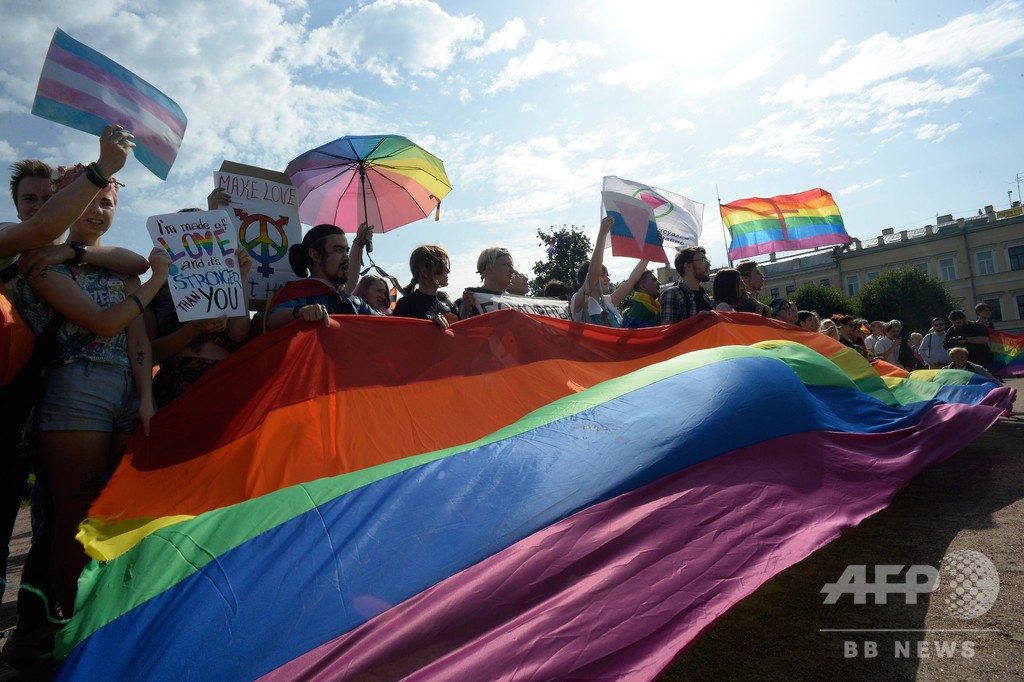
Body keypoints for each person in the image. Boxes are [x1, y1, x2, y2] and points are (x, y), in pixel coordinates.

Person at [17, 164, 171, 619]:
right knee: (75, 520)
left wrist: (145, 397)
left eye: (107, 203)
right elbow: (105, 322)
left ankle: (111, 616)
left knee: (122, 515)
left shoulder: (108, 263)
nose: (98, 210)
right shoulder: (41, 260)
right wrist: (156, 284)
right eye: (89, 201)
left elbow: (138, 334)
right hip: (74, 388)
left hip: (126, 392)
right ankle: (69, 626)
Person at [145, 194, 252, 408]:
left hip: (222, 381)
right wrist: (193, 329)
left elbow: (239, 332)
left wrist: (242, 277)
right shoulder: (154, 289)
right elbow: (147, 354)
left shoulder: (228, 279)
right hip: (176, 382)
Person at [265, 224, 377, 331]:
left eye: (346, 251)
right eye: (338, 250)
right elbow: (271, 321)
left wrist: (358, 243)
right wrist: (299, 312)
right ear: (316, 255)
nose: (346, 258)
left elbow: (386, 325)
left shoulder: (355, 303)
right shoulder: (296, 294)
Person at [570, 216, 648, 327]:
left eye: (607, 275)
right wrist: (602, 234)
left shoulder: (607, 302)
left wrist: (649, 254)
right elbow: (593, 274)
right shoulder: (579, 303)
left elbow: (632, 280)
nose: (608, 279)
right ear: (585, 278)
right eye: (602, 276)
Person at [393, 245, 458, 328]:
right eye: (442, 266)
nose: (448, 271)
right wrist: (429, 326)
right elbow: (399, 337)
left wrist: (472, 309)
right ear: (425, 272)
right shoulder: (406, 305)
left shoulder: (447, 304)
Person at [660, 246, 713, 324]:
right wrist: (695, 321)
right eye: (703, 260)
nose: (709, 264)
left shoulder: (704, 295)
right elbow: (667, 332)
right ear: (688, 266)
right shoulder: (672, 294)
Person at [460, 247, 515, 318]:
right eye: (506, 265)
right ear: (489, 268)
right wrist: (469, 311)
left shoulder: (515, 302)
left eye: (512, 265)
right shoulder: (471, 299)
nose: (512, 270)